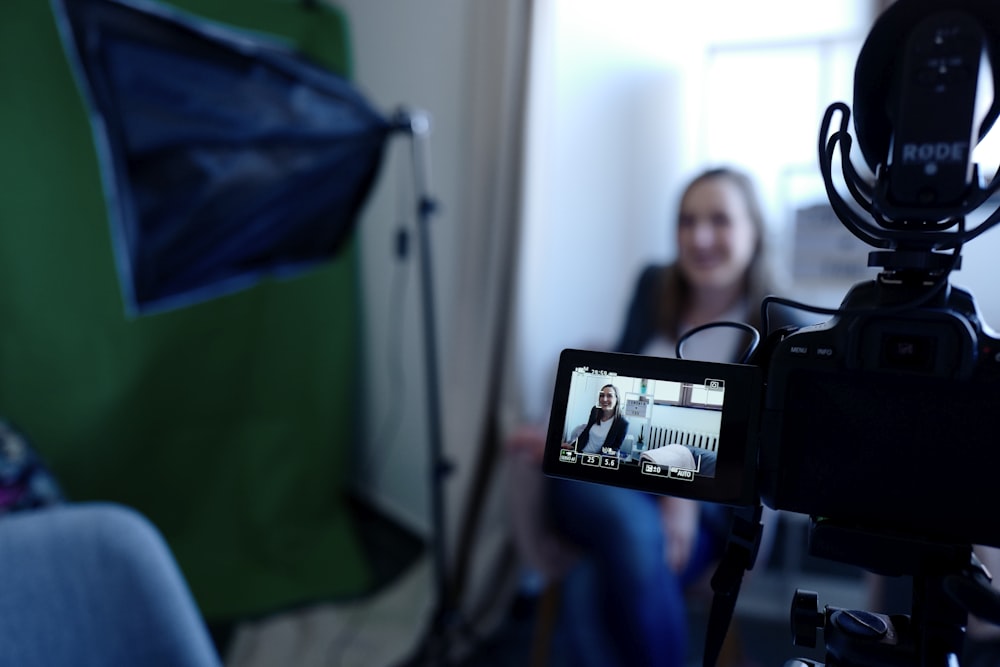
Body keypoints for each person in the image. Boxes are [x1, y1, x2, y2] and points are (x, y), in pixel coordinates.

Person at [532, 166, 786, 667]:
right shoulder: (654, 286)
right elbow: (611, 393)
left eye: (719, 220)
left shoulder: (780, 325)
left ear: (755, 231)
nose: (700, 237)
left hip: (705, 516)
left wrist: (682, 493)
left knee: (598, 576)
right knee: (631, 532)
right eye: (687, 222)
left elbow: (768, 459)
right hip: (602, 480)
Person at [562, 384, 629, 456]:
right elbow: (585, 432)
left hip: (598, 458)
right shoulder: (595, 411)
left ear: (617, 399)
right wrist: (572, 446)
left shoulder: (623, 423)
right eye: (602, 395)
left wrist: (599, 458)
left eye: (609, 396)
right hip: (581, 452)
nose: (604, 399)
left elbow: (614, 449)